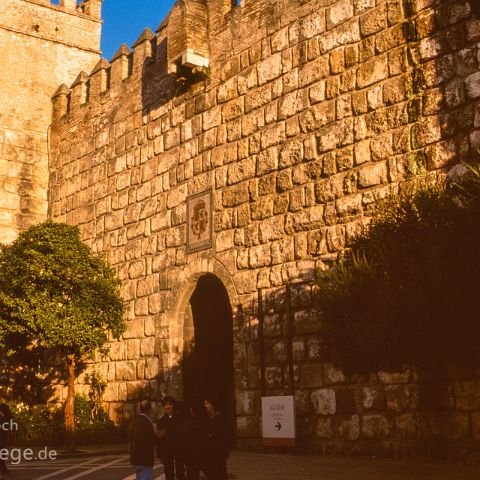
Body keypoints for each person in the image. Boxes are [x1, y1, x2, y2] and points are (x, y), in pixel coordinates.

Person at [157, 396, 186, 480]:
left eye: (170, 404)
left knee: (180, 471)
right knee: (168, 472)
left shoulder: (180, 418)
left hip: (179, 449)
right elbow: (159, 439)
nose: (168, 407)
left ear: (173, 406)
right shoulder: (162, 421)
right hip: (167, 450)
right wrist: (160, 454)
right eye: (165, 405)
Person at [203, 397, 231, 480]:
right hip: (210, 455)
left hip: (219, 454)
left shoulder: (220, 420)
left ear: (213, 406)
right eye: (204, 404)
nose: (205, 406)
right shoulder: (206, 419)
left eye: (207, 403)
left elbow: (226, 436)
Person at [180, 398, 208, 480]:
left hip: (191, 459)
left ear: (191, 411)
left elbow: (183, 444)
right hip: (205, 457)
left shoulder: (187, 426)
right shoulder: (207, 424)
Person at [130, 400, 157, 480]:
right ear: (150, 410)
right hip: (145, 460)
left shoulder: (135, 422)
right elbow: (153, 440)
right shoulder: (147, 424)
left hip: (135, 459)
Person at [0, 402, 12, 478]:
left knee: (1, 449)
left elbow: (9, 417)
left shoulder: (4, 407)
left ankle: (3, 468)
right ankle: (3, 468)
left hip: (2, 432)